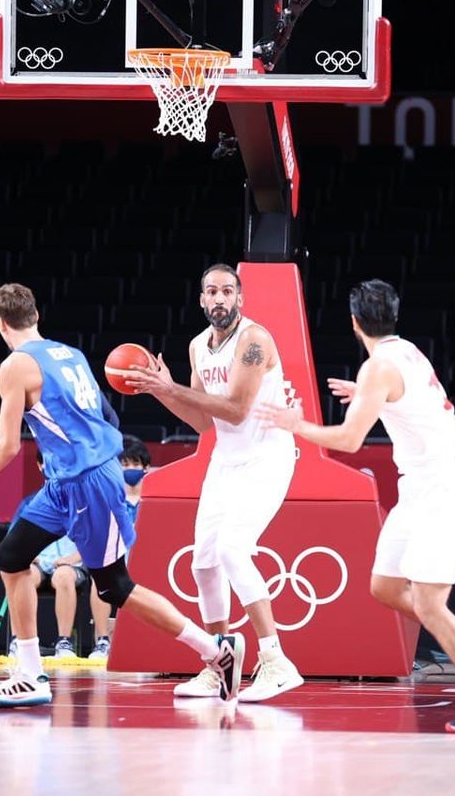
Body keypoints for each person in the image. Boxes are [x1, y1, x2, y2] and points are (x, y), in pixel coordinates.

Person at [0, 283, 244, 707]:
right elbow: (106, 414)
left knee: (114, 586)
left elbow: (7, 446)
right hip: (64, 483)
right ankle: (29, 673)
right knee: (10, 556)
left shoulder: (15, 366)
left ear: (1, 324)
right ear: (36, 316)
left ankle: (215, 650)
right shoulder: (70, 355)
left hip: (88, 482)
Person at [257, 279, 455, 734]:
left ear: (355, 323)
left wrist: (294, 424)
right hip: (418, 491)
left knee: (430, 606)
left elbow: (348, 440)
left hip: (443, 491)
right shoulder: (405, 352)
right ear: (393, 317)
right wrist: (366, 395)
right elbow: (410, 399)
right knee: (385, 587)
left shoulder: (377, 368)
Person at [124, 264, 303, 702]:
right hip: (226, 460)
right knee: (203, 563)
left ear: (239, 298)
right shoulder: (197, 346)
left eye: (227, 291)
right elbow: (203, 420)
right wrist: (161, 391)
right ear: (202, 300)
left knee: (231, 550)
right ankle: (219, 661)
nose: (220, 298)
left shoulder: (254, 340)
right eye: (212, 291)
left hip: (268, 456)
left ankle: (277, 661)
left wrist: (172, 388)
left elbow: (237, 410)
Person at [6, 450, 90, 660]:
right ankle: (20, 641)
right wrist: (27, 554)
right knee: (21, 575)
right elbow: (14, 541)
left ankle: (64, 642)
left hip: (71, 565)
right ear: (40, 466)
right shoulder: (29, 503)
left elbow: (93, 540)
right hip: (39, 562)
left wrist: (71, 559)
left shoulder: (82, 502)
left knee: (63, 576)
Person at [88, 435, 151, 663]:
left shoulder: (154, 498)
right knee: (100, 578)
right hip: (115, 556)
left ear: (146, 468)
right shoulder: (108, 497)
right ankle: (103, 640)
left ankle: (148, 640)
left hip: (148, 560)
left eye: (135, 464)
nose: (130, 469)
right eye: (124, 464)